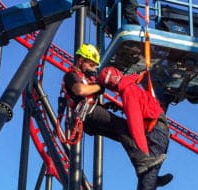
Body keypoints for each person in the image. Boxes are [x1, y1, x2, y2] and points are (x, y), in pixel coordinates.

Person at [60, 43, 166, 177]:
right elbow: (80, 90)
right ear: (81, 61)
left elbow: (88, 99)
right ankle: (143, 163)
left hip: (88, 117)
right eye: (91, 65)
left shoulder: (86, 78)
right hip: (87, 114)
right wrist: (100, 86)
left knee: (124, 135)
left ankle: (146, 171)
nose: (93, 69)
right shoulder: (71, 75)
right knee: (122, 126)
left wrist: (108, 106)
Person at [98, 66, 172, 190]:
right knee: (147, 175)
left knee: (146, 171)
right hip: (159, 130)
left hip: (153, 133)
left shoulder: (128, 91)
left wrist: (142, 152)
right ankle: (154, 180)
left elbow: (135, 122)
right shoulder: (131, 84)